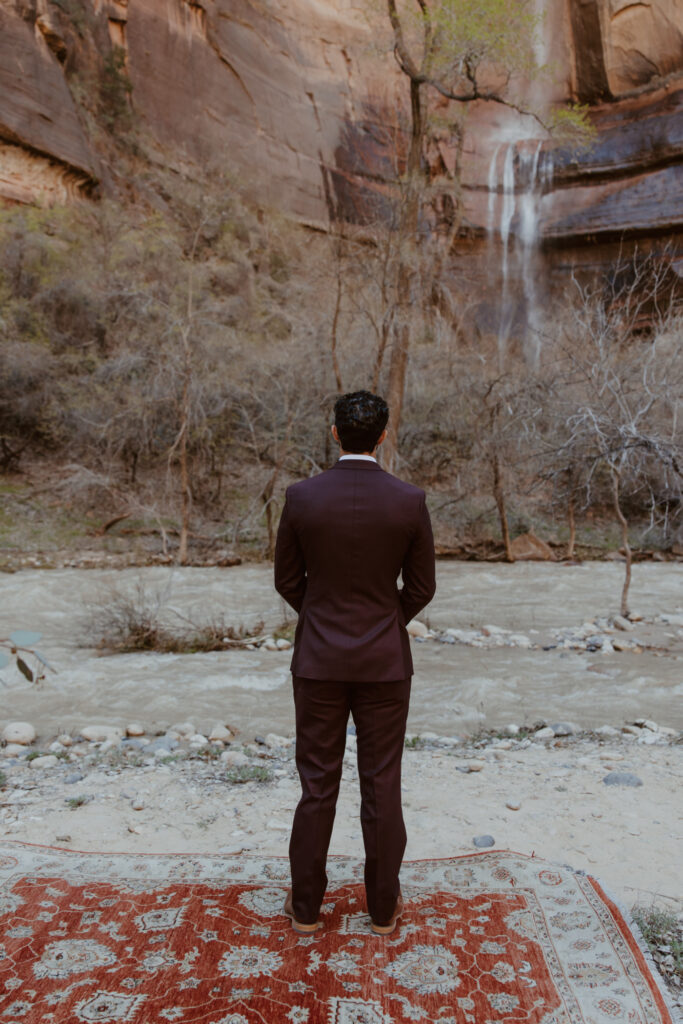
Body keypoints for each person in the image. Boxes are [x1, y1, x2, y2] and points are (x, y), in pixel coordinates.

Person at [274, 390, 436, 935]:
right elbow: (421, 587)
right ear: (383, 436)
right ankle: (383, 909)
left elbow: (286, 580)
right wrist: (387, 621)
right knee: (382, 782)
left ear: (336, 433)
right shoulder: (408, 500)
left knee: (317, 784)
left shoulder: (301, 497)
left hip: (318, 660)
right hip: (385, 663)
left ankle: (305, 910)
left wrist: (318, 616)